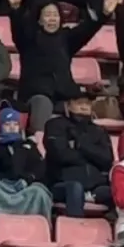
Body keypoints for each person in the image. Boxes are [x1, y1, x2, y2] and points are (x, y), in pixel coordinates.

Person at [8, 0, 112, 134]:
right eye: (48, 15)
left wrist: (104, 13)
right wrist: (15, 8)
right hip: (37, 94)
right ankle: (37, 139)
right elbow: (18, 29)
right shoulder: (29, 38)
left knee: (81, 106)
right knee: (43, 104)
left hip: (64, 94)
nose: (52, 19)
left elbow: (88, 28)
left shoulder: (66, 38)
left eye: (55, 15)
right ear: (39, 19)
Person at [43, 88, 114, 217]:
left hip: (96, 186)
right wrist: (93, 156)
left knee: (118, 191)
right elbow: (60, 155)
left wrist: (80, 146)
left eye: (87, 103)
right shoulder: (55, 125)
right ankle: (74, 227)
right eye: (79, 103)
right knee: (75, 188)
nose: (84, 107)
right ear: (68, 105)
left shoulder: (99, 130)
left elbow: (107, 159)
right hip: (62, 183)